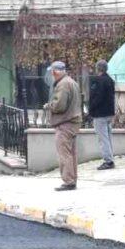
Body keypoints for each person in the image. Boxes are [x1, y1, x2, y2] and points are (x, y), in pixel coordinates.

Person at [45, 61, 82, 191]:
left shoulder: (63, 84)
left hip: (65, 123)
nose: (51, 74)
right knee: (71, 153)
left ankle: (68, 181)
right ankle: (72, 179)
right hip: (72, 122)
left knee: (64, 154)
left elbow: (59, 106)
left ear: (56, 71)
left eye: (52, 72)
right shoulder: (71, 82)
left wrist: (49, 106)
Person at [89, 59, 117, 170]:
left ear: (98, 68)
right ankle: (110, 158)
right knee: (108, 137)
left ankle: (108, 161)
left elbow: (97, 97)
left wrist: (91, 109)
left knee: (103, 138)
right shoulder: (110, 80)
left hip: (100, 113)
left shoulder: (98, 81)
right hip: (109, 112)